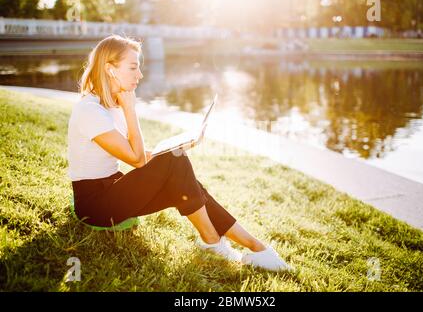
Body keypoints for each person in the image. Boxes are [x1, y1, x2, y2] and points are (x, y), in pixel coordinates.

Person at [67, 35, 292, 272]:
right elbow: (135, 159)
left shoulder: (111, 105)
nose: (140, 75)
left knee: (183, 173)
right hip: (94, 206)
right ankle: (214, 242)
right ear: (110, 70)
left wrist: (175, 147)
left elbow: (137, 154)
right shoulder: (90, 110)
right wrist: (130, 109)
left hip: (113, 188)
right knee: (175, 163)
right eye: (133, 67)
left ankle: (255, 246)